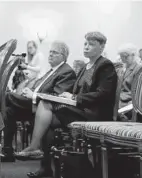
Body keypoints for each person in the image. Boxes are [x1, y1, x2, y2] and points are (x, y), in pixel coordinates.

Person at [21, 32, 118, 178]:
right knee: (47, 121)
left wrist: (74, 97)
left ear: (102, 46)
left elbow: (103, 94)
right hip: (81, 109)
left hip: (94, 113)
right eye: (85, 43)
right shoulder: (86, 67)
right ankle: (45, 166)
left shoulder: (105, 65)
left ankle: (38, 152)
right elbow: (75, 91)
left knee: (46, 108)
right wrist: (67, 96)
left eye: (91, 44)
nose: (86, 47)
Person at [1, 41, 76, 162]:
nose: (50, 54)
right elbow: (37, 85)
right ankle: (7, 151)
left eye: (54, 52)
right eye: (50, 52)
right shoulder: (52, 71)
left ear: (63, 56)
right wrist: (28, 90)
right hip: (33, 104)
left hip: (45, 108)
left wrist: (33, 95)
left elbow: (57, 96)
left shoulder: (66, 72)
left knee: (6, 97)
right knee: (9, 111)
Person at [117, 44, 142, 121]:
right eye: (121, 56)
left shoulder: (138, 69)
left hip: (129, 103)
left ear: (133, 55)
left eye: (125, 56)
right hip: (118, 102)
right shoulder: (121, 69)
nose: (123, 59)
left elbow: (137, 92)